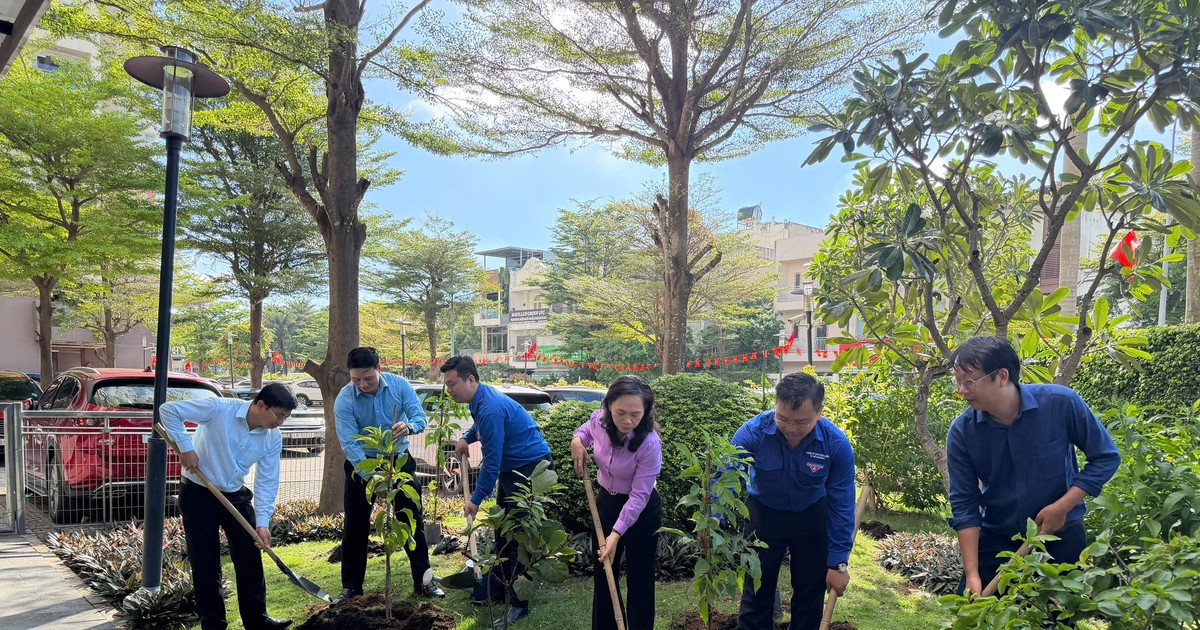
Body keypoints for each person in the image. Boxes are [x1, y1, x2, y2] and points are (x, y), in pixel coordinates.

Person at [946, 336, 1120, 596]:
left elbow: (1106, 457)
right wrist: (972, 573)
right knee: (973, 615)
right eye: (958, 381)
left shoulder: (1061, 404)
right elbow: (964, 504)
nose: (962, 390)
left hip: (1060, 538)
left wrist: (1062, 506)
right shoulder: (962, 433)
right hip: (996, 540)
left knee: (1052, 621)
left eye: (969, 381)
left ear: (1002, 376)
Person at [160, 382, 297, 630]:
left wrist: (263, 523)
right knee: (205, 562)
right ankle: (213, 624)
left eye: (286, 417)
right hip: (198, 491)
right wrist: (186, 447)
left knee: (250, 557)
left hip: (235, 493)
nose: (281, 422)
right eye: (279, 415)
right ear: (260, 404)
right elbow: (168, 410)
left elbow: (267, 480)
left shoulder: (272, 438)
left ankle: (258, 621)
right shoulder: (218, 408)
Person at [732, 372, 856, 630]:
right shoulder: (752, 433)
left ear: (820, 413)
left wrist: (838, 562)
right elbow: (727, 476)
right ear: (775, 406)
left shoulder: (835, 444)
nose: (790, 428)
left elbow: (841, 505)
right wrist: (714, 516)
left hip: (811, 517)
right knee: (756, 591)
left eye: (801, 423)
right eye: (783, 419)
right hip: (763, 516)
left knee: (810, 593)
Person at [444, 356, 552, 627]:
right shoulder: (478, 400)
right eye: (446, 385)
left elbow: (491, 461)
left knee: (518, 536)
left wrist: (476, 500)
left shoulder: (489, 406)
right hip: (513, 468)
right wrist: (465, 437)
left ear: (471, 380)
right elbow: (480, 428)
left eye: (453, 384)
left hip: (529, 470)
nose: (449, 390)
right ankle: (501, 587)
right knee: (504, 532)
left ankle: (518, 603)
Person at [331, 347, 444, 605]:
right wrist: (374, 478)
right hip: (363, 466)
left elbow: (419, 416)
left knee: (412, 519)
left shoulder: (399, 385)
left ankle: (424, 581)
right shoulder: (345, 399)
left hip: (399, 460)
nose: (362, 385)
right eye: (356, 379)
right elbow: (350, 445)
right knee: (355, 527)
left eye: (368, 379)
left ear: (379, 369)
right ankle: (351, 588)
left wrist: (409, 426)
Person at [570, 376, 663, 630]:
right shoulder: (599, 421)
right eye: (621, 412)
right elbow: (585, 431)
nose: (627, 421)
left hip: (641, 511)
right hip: (606, 504)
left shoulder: (650, 443)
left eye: (635, 414)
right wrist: (577, 440)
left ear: (645, 412)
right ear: (609, 406)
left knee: (640, 578)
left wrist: (615, 534)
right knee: (604, 573)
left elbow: (639, 496)